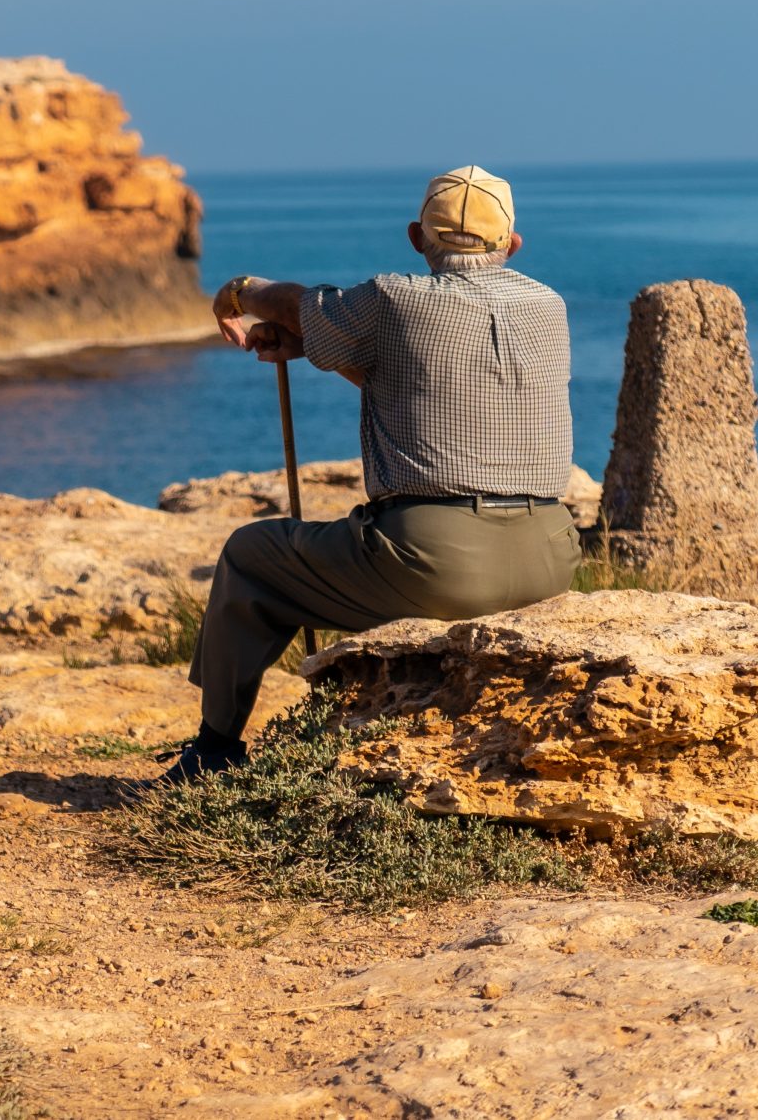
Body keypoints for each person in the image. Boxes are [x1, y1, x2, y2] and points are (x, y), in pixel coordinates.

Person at [160, 166, 579, 786]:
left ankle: (215, 751)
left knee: (251, 556)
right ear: (513, 244)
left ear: (417, 237)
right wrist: (325, 350)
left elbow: (294, 302)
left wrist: (240, 291)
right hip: (551, 556)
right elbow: (433, 384)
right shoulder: (548, 306)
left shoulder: (394, 298)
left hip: (436, 562)